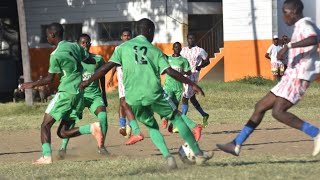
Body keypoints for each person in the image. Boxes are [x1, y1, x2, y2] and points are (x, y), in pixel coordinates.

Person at [80, 18, 213, 168]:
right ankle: (199, 154)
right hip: (154, 94)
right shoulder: (155, 51)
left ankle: (168, 158)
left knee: (152, 127)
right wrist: (191, 83)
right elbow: (170, 71)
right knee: (177, 118)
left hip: (132, 99)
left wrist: (86, 81)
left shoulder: (122, 49)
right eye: (154, 32)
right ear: (149, 31)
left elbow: (105, 68)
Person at [216, 0, 320, 157]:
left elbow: (313, 39)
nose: (284, 16)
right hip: (289, 76)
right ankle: (236, 144)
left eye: (285, 12)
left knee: (278, 112)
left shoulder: (305, 24)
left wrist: (288, 46)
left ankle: (316, 133)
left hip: (298, 77)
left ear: (295, 11)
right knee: (260, 106)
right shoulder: (303, 25)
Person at [21, 23, 104, 164]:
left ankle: (46, 156)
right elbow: (89, 59)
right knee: (62, 132)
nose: (46, 38)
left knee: (45, 125)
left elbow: (49, 79)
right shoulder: (74, 46)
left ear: (53, 35)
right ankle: (92, 128)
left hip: (66, 92)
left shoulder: (55, 55)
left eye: (47, 35)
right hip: (79, 94)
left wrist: (30, 84)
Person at [58, 33, 109, 159]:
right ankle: (63, 148)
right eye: (83, 42)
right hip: (78, 97)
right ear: (77, 44)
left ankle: (101, 146)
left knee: (103, 116)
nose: (85, 45)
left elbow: (102, 75)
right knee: (69, 121)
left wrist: (103, 93)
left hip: (94, 96)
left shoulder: (97, 59)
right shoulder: (73, 60)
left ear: (90, 44)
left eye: (88, 42)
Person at [107, 28, 143, 143]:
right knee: (122, 101)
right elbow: (114, 63)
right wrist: (111, 77)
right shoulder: (118, 49)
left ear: (131, 37)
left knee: (131, 103)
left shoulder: (134, 48)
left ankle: (129, 125)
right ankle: (122, 126)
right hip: (122, 79)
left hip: (132, 79)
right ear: (121, 37)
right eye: (124, 36)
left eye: (128, 36)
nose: (126, 37)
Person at [161, 42, 202, 141]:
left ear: (180, 49)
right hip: (168, 86)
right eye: (175, 47)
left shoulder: (183, 60)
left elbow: (188, 72)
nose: (177, 49)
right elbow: (163, 69)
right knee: (166, 104)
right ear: (172, 48)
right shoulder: (168, 59)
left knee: (174, 108)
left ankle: (171, 123)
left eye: (178, 47)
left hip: (178, 87)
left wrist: (182, 72)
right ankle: (164, 118)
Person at [180, 33, 210, 128]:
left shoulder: (200, 50)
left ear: (195, 39)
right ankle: (204, 115)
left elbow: (207, 61)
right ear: (187, 39)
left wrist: (200, 66)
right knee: (192, 98)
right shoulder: (183, 50)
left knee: (185, 97)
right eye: (189, 38)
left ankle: (182, 122)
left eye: (193, 38)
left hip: (193, 75)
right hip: (184, 75)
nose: (191, 40)